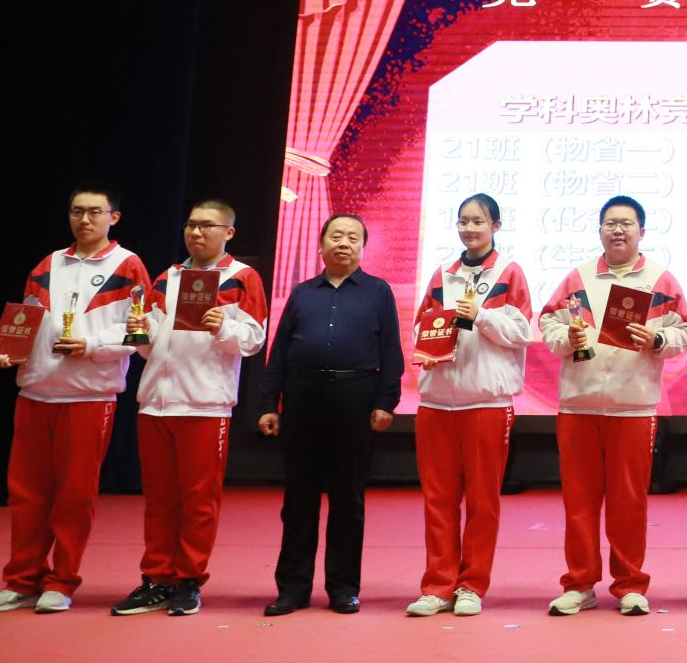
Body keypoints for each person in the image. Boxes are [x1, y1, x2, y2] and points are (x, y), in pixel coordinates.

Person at [0, 187, 152, 613]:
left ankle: (62, 581)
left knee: (74, 496)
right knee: (26, 495)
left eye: (94, 212)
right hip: (35, 392)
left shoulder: (128, 264)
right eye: (77, 211)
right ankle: (22, 579)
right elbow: (25, 319)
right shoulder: (48, 263)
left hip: (88, 396)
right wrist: (9, 351)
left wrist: (91, 345)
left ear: (114, 217)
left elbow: (139, 331)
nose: (84, 220)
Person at [538, 195, 687, 617]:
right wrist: (565, 339)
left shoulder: (660, 280)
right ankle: (579, 584)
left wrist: (658, 340)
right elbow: (548, 321)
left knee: (629, 502)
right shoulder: (578, 278)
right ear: (600, 230)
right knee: (579, 502)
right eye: (610, 223)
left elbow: (684, 330)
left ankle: (629, 585)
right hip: (579, 405)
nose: (618, 230)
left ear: (642, 231)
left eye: (626, 223)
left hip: (633, 406)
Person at [110, 200, 268, 617]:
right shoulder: (167, 277)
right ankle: (156, 578)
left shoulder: (242, 277)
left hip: (205, 404)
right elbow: (150, 347)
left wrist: (224, 326)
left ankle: (188, 580)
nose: (196, 232)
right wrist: (139, 332)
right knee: (159, 500)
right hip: (155, 403)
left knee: (199, 500)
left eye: (207, 225)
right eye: (191, 225)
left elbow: (254, 339)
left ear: (228, 232)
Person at [255, 213, 402, 616]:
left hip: (356, 397)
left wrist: (386, 402)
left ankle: (343, 587)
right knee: (298, 499)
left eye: (353, 238)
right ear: (321, 245)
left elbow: (391, 353)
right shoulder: (302, 293)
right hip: (302, 397)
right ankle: (293, 589)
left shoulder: (378, 291)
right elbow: (279, 352)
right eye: (336, 236)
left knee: (347, 499)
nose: (344, 243)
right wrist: (268, 404)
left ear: (362, 247)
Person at [406, 194, 534, 618]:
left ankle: (472, 586)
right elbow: (421, 326)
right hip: (437, 402)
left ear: (496, 226)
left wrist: (481, 315)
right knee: (438, 500)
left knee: (482, 501)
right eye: (463, 221)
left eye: (478, 221)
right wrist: (430, 344)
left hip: (486, 403)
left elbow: (521, 332)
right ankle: (437, 586)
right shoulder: (443, 273)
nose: (469, 228)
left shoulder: (509, 272)